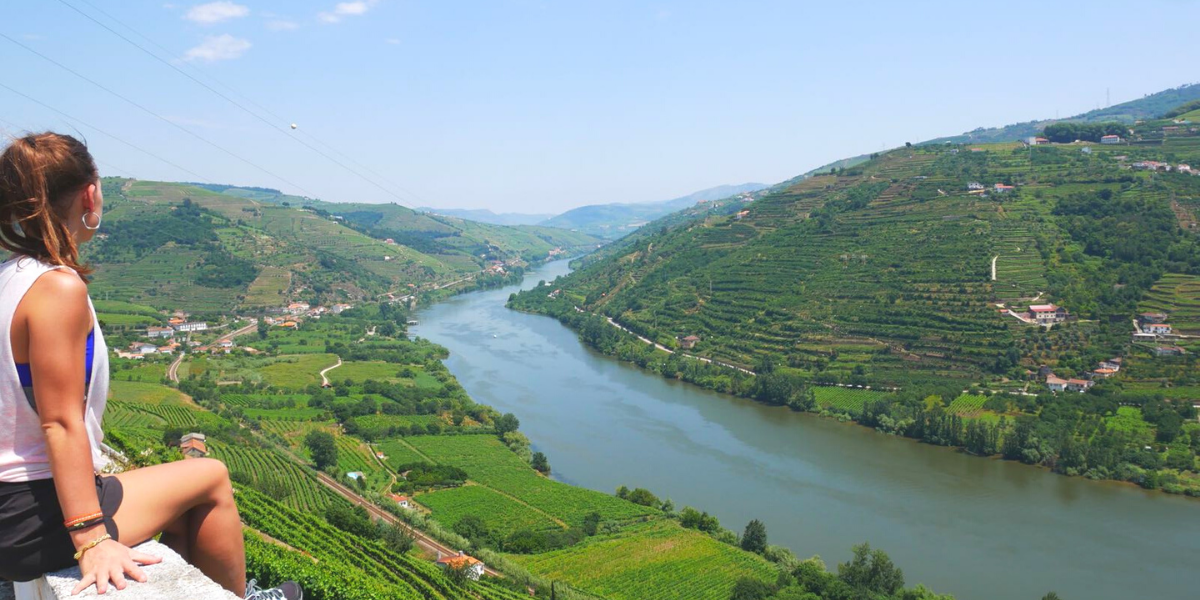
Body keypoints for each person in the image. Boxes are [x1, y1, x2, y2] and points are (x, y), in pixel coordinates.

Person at [0, 133, 300, 600]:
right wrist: (92, 540)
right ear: (90, 194)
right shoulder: (58, 289)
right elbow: (60, 421)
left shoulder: (9, 277)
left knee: (183, 498)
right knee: (212, 476)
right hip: (28, 512)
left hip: (14, 503)